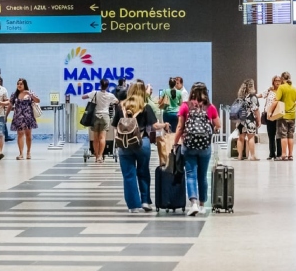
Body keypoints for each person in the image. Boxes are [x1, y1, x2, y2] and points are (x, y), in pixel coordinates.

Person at [112, 81, 166, 212]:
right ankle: (145, 201)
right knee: (143, 172)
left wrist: (117, 142)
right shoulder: (145, 106)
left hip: (124, 144)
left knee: (128, 175)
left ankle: (133, 205)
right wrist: (164, 125)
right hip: (142, 142)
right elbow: (154, 126)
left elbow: (114, 126)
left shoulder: (121, 106)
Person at [174, 82, 221, 216]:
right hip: (205, 146)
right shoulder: (210, 107)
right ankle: (202, 205)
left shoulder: (185, 106)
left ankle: (193, 203)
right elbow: (218, 125)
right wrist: (211, 129)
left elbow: (180, 127)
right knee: (203, 176)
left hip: (188, 146)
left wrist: (175, 143)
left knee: (190, 174)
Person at [270, 72, 296, 161]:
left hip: (283, 116)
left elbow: (276, 100)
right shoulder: (295, 89)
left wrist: (270, 112)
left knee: (283, 136)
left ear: (282, 79)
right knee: (290, 136)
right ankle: (290, 155)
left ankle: (284, 155)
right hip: (292, 116)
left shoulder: (281, 87)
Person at [81, 79, 118, 163]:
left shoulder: (95, 93)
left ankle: (96, 155)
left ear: (100, 85)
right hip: (105, 117)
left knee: (95, 138)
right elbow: (116, 101)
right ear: (107, 86)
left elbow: (83, 97)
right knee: (102, 138)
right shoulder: (110, 95)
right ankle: (100, 156)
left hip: (95, 116)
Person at [6, 79, 40, 160]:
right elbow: (10, 105)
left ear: (24, 85)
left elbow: (38, 100)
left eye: (21, 84)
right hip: (18, 117)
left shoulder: (30, 93)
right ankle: (21, 153)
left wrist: (30, 95)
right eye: (18, 84)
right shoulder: (14, 94)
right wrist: (6, 116)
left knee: (28, 135)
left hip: (28, 116)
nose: (19, 85)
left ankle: (28, 152)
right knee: (20, 134)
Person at [235, 79, 261, 161]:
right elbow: (256, 110)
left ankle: (240, 156)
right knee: (251, 138)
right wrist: (258, 120)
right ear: (252, 86)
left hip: (240, 120)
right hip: (250, 119)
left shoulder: (240, 97)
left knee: (240, 138)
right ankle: (252, 156)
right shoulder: (253, 97)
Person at [261, 76, 283, 160]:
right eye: (276, 81)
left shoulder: (282, 91)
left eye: (279, 81)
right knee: (271, 135)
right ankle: (271, 153)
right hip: (269, 114)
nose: (277, 82)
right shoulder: (269, 90)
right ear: (273, 82)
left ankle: (279, 154)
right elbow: (261, 95)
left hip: (278, 114)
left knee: (279, 135)